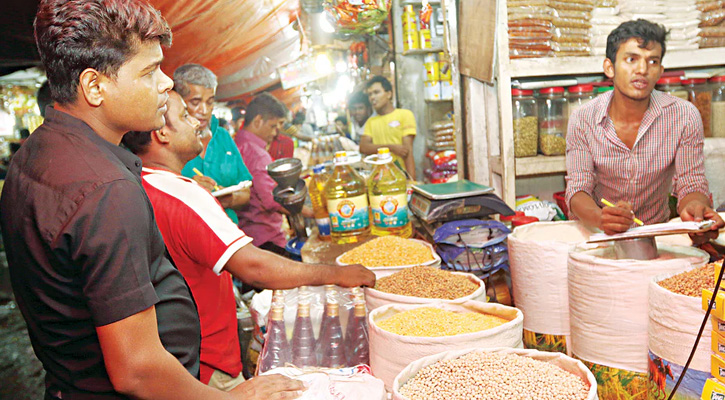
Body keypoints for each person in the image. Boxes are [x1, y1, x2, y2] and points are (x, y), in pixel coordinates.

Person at [0, 0, 303, 399]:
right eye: (149, 71)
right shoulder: (106, 190)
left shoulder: (34, 154)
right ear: (95, 87)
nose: (166, 83)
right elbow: (137, 370)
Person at [122, 90, 375, 391]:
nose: (198, 122)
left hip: (184, 357)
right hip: (207, 361)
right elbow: (253, 267)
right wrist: (335, 274)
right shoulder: (180, 192)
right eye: (186, 115)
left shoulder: (139, 182)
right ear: (162, 132)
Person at [566, 19, 724, 241]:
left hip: (655, 236)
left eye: (652, 61)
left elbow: (691, 182)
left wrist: (696, 209)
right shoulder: (583, 119)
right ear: (610, 68)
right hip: (598, 235)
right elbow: (578, 188)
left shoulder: (684, 116)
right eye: (632, 59)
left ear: (660, 71)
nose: (642, 69)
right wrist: (600, 218)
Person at [234, 93, 313, 254]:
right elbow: (272, 200)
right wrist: (311, 212)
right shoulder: (256, 154)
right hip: (265, 238)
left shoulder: (236, 144)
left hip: (247, 235)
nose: (276, 132)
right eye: (272, 126)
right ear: (258, 121)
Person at [174, 64, 252, 224]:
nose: (204, 110)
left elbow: (246, 193)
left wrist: (228, 200)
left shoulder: (222, 136)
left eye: (210, 102)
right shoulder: (167, 139)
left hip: (228, 230)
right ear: (177, 101)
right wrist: (190, 190)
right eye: (195, 102)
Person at [360, 75, 416, 179]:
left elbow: (407, 152)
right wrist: (391, 148)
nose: (372, 97)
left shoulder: (405, 115)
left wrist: (412, 180)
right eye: (370, 94)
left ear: (389, 94)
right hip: (379, 178)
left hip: (400, 176)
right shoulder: (370, 122)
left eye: (376, 92)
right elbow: (363, 147)